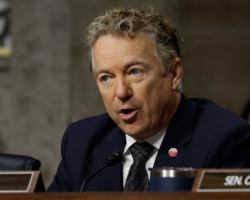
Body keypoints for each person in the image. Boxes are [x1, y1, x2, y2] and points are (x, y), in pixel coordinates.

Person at [48, 6, 250, 192]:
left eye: (135, 72)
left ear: (173, 73)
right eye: (106, 78)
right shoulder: (81, 141)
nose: (121, 92)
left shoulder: (225, 139)